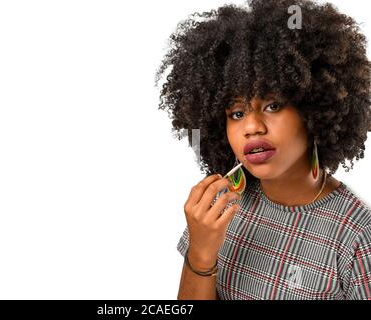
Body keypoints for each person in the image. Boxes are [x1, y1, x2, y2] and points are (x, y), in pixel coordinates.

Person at [155, 0, 371, 299]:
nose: (252, 127)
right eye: (237, 113)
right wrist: (201, 254)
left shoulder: (357, 235)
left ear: (315, 111)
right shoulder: (222, 205)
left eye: (273, 105)